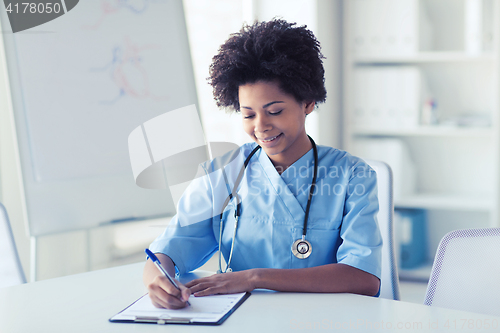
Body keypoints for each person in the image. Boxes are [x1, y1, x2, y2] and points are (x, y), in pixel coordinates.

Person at [143, 19, 382, 309]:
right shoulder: (223, 173)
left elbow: (365, 277)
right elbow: (169, 248)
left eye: (275, 111)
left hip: (322, 320)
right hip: (238, 319)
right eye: (248, 115)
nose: (261, 126)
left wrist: (254, 278)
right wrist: (158, 279)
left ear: (307, 103)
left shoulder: (352, 175)